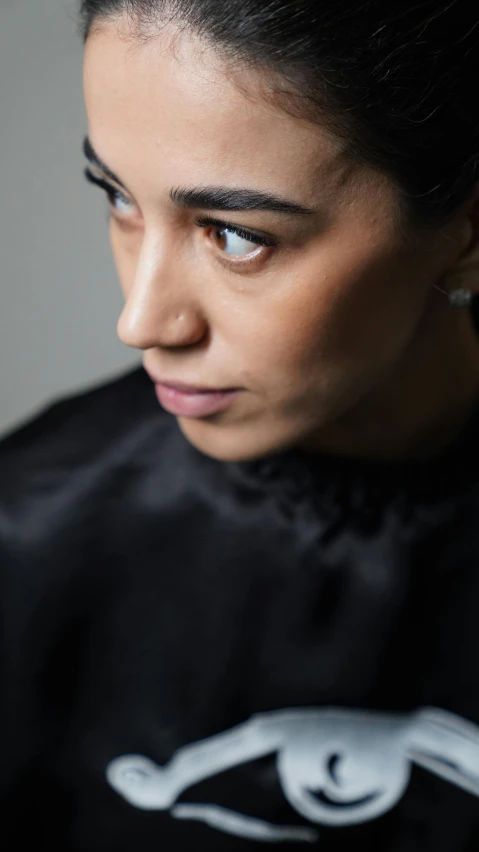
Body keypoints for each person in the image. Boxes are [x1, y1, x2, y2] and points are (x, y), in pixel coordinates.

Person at [2, 0, 479, 848]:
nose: (143, 322)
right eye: (116, 197)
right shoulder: (30, 535)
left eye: (234, 235)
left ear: (467, 229)